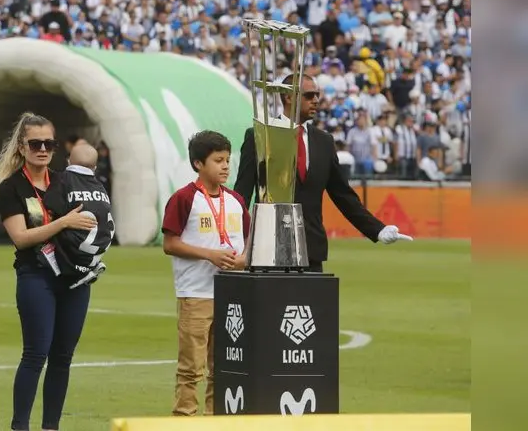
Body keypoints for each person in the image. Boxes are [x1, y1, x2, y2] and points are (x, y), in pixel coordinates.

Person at [233, 74, 413, 272]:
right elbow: (242, 194)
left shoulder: (324, 142)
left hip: (311, 250)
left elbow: (343, 195)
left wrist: (378, 229)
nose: (316, 101)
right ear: (289, 97)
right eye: (309, 95)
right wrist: (234, 241)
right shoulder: (260, 136)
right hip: (268, 249)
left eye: (317, 95)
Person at [0, 112, 97, 431]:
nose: (43, 149)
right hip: (36, 275)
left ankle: (51, 427)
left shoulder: (66, 180)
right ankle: (19, 426)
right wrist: (63, 223)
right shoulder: (12, 188)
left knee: (62, 357)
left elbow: (94, 217)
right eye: (35, 143)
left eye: (48, 143)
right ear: (22, 147)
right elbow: (20, 238)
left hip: (75, 277)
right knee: (36, 354)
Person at [161, 130, 250, 417]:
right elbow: (169, 244)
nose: (225, 166)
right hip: (196, 294)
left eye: (227, 160)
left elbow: (249, 243)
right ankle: (184, 420)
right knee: (191, 369)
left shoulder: (236, 199)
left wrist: (244, 261)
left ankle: (214, 421)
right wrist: (210, 254)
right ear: (198, 164)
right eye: (218, 160)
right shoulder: (184, 198)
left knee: (222, 368)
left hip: (232, 294)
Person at [40, 142, 115, 289]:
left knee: (56, 231)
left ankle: (77, 271)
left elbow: (49, 203)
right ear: (95, 167)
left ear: (68, 161)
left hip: (72, 248)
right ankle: (91, 265)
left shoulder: (63, 179)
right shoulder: (99, 186)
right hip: (100, 243)